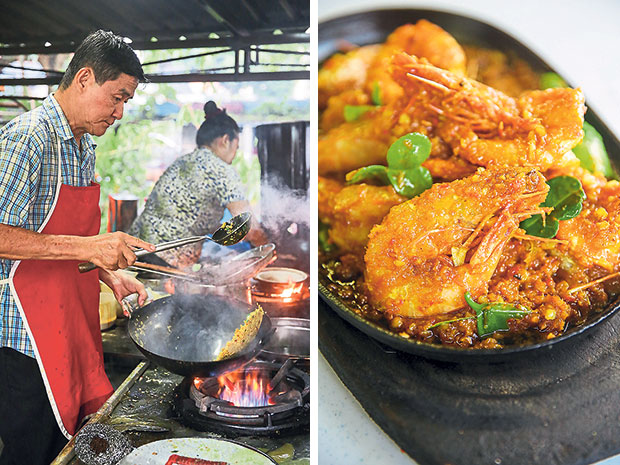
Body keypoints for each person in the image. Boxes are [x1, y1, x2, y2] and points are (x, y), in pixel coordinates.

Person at [0, 30, 156, 464]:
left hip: (71, 324)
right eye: (117, 97)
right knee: (33, 452)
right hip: (24, 337)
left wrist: (109, 272)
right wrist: (91, 247)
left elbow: (69, 243)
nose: (121, 112)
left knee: (71, 449)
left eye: (127, 101)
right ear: (84, 78)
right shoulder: (27, 140)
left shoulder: (83, 146)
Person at [129, 101, 267, 269]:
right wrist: (268, 252)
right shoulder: (223, 170)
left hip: (138, 249)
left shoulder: (183, 162)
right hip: (167, 258)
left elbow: (190, 215)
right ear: (225, 141)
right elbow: (249, 227)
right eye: (236, 147)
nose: (235, 155)